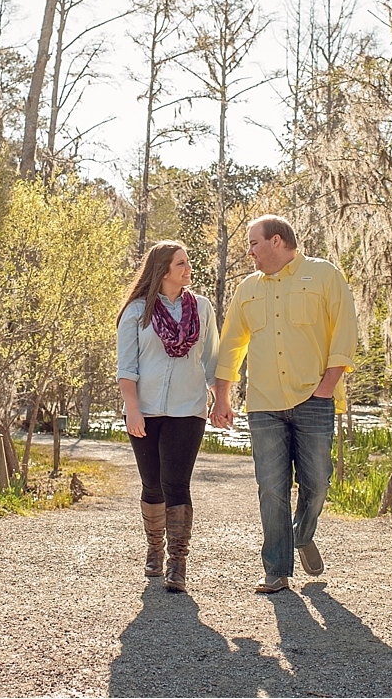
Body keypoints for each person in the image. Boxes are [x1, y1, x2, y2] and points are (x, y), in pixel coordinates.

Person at [211, 215, 357, 594]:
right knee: (271, 487)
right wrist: (222, 395)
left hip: (314, 398)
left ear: (277, 241)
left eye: (254, 243)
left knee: (318, 483)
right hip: (264, 404)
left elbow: (345, 331)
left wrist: (327, 386)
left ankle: (302, 534)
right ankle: (276, 569)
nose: (250, 252)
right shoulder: (247, 290)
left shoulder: (324, 276)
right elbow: (231, 345)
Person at [116, 240, 219, 592]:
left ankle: (178, 562)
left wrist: (221, 399)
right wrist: (132, 409)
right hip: (144, 410)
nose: (188, 269)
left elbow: (211, 362)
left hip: (188, 408)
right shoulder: (136, 312)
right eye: (181, 264)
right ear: (162, 270)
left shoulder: (202, 309)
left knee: (177, 483)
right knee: (152, 484)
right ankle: (154, 550)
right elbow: (127, 368)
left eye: (188, 263)